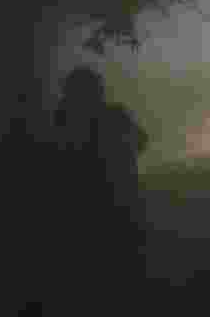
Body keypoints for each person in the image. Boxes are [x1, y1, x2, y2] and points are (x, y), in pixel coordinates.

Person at [53, 66, 150, 252]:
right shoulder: (114, 115)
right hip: (118, 211)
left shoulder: (64, 118)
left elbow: (141, 141)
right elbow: (142, 142)